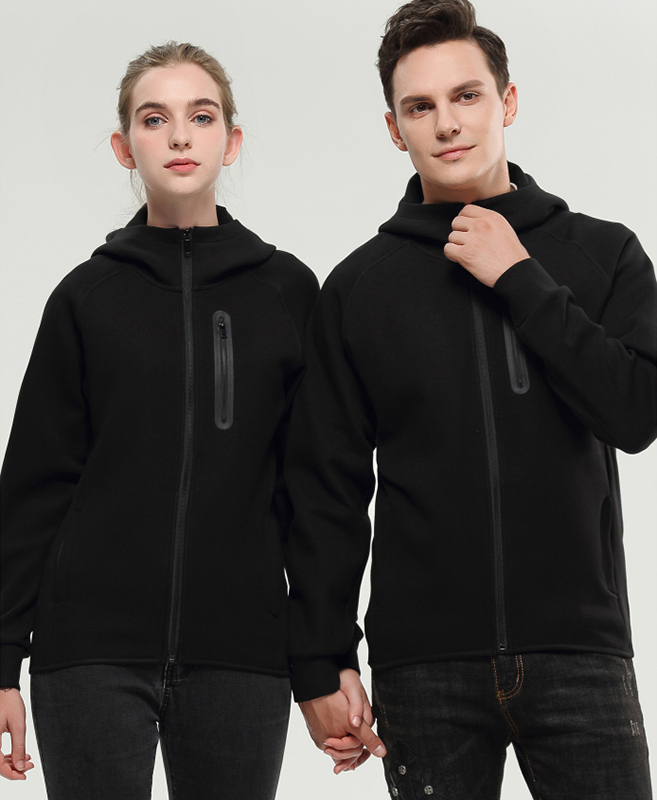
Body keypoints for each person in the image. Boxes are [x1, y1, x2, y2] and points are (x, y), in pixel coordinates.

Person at [284, 0, 656, 796]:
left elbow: (634, 413)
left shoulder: (602, 253)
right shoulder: (358, 287)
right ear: (395, 129)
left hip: (579, 653)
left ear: (506, 101)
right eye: (419, 107)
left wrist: (520, 277)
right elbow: (324, 488)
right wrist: (320, 658)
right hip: (425, 667)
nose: (446, 123)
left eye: (466, 95)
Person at [0, 41, 318, 799]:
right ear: (125, 147)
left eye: (201, 117)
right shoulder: (85, 297)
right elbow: (35, 485)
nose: (179, 136)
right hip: (90, 653)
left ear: (230, 141)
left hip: (241, 651)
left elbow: (313, 491)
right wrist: (3, 658)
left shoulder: (287, 292)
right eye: (154, 118)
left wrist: (321, 653)